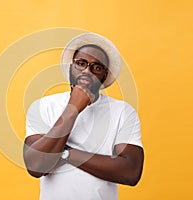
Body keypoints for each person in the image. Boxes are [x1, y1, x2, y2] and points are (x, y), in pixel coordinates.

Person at [23, 33, 144, 200]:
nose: (87, 71)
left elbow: (130, 172)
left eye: (96, 67)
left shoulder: (123, 112)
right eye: (81, 63)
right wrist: (73, 109)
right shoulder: (43, 106)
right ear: (71, 67)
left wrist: (64, 153)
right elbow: (36, 166)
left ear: (104, 76)